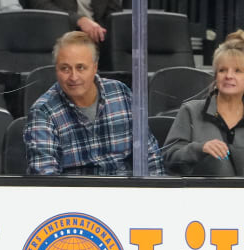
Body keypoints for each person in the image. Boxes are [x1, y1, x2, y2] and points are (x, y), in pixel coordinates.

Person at [24, 31, 164, 175]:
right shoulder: (43, 112)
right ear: (56, 70)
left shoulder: (120, 93)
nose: (73, 77)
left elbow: (150, 157)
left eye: (81, 67)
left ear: (95, 67)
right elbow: (45, 177)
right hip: (73, 194)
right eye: (65, 68)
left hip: (125, 192)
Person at [163, 30, 244, 176]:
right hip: (198, 195)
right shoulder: (191, 110)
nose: (229, 76)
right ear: (215, 76)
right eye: (222, 70)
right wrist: (199, 149)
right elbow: (169, 159)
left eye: (238, 71)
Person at [28, 0, 121, 43]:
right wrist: (79, 20)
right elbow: (40, 5)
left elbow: (112, 14)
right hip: (56, 34)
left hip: (97, 39)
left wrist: (98, 31)